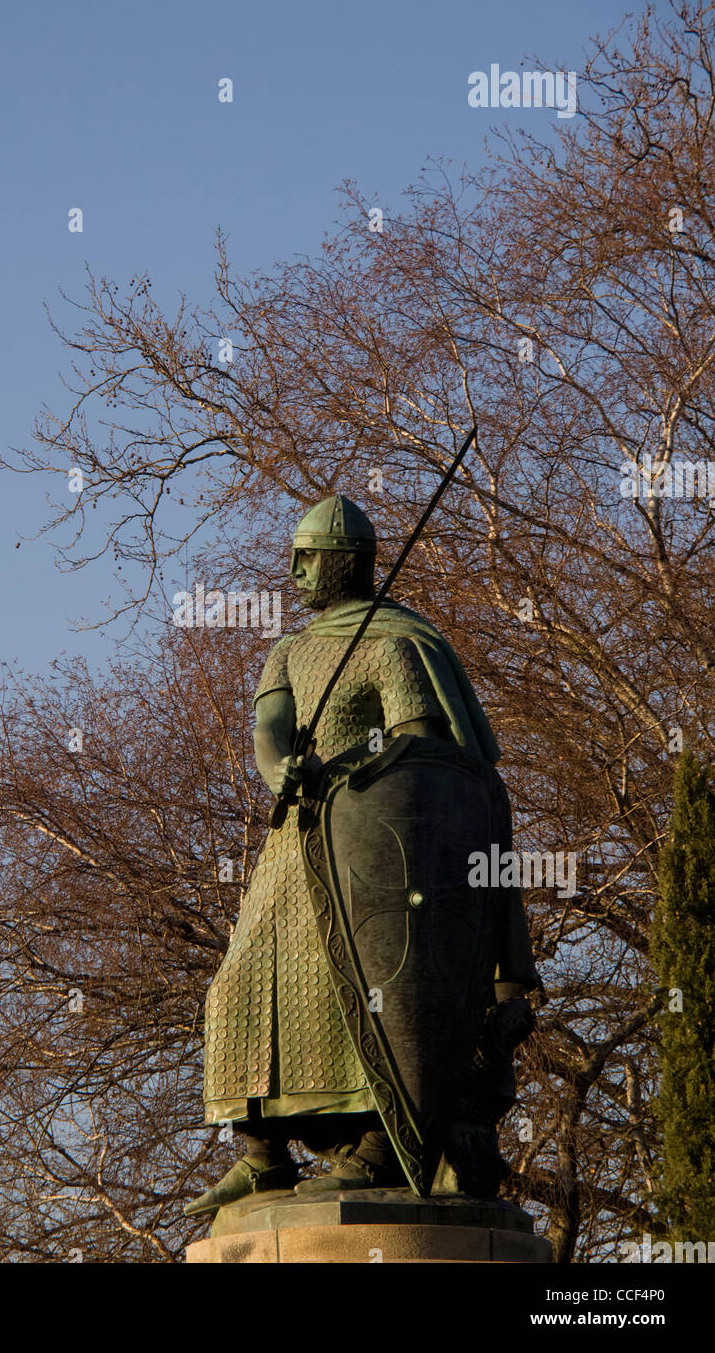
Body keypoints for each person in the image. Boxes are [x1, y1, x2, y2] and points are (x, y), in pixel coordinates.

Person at [185, 495, 540, 1217]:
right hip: (297, 844)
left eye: (305, 557)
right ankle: (262, 1156)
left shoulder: (395, 645)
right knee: (237, 986)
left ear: (342, 560)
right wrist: (277, 767)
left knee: (376, 986)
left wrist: (350, 772)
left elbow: (420, 758)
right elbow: (269, 732)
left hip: (373, 859)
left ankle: (380, 1144)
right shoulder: (288, 649)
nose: (293, 571)